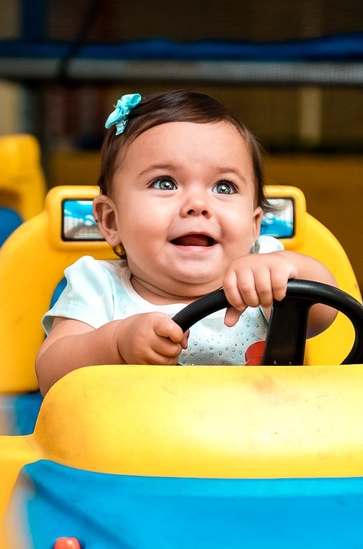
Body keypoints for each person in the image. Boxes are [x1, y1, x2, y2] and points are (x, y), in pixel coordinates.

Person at [35, 90, 338, 396]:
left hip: (256, 438)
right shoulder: (99, 287)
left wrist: (284, 270)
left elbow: (325, 310)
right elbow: (50, 374)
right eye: (165, 183)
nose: (197, 204)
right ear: (111, 221)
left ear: (253, 226)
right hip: (135, 440)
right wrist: (114, 343)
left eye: (224, 186)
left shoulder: (264, 279)